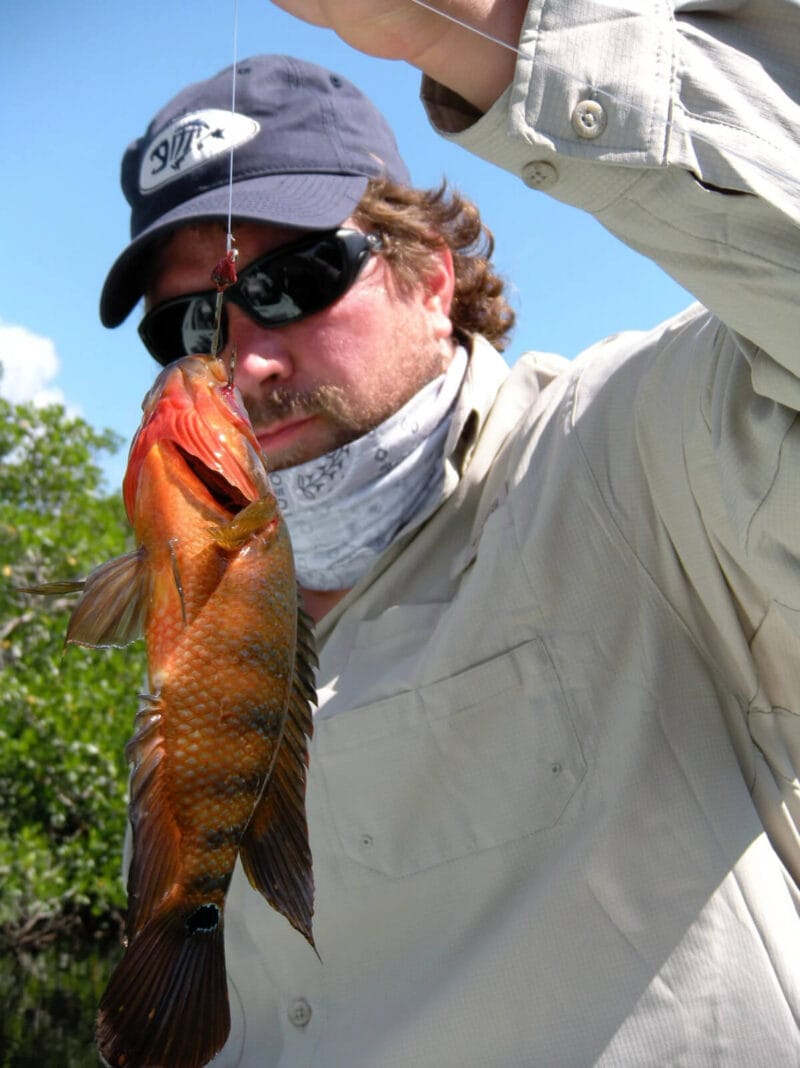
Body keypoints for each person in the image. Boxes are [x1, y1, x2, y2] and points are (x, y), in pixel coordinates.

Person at [100, 1, 800, 1063]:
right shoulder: (194, 613)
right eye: (189, 325)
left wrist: (489, 28)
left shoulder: (640, 455)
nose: (243, 360)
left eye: (291, 283)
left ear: (429, 277)